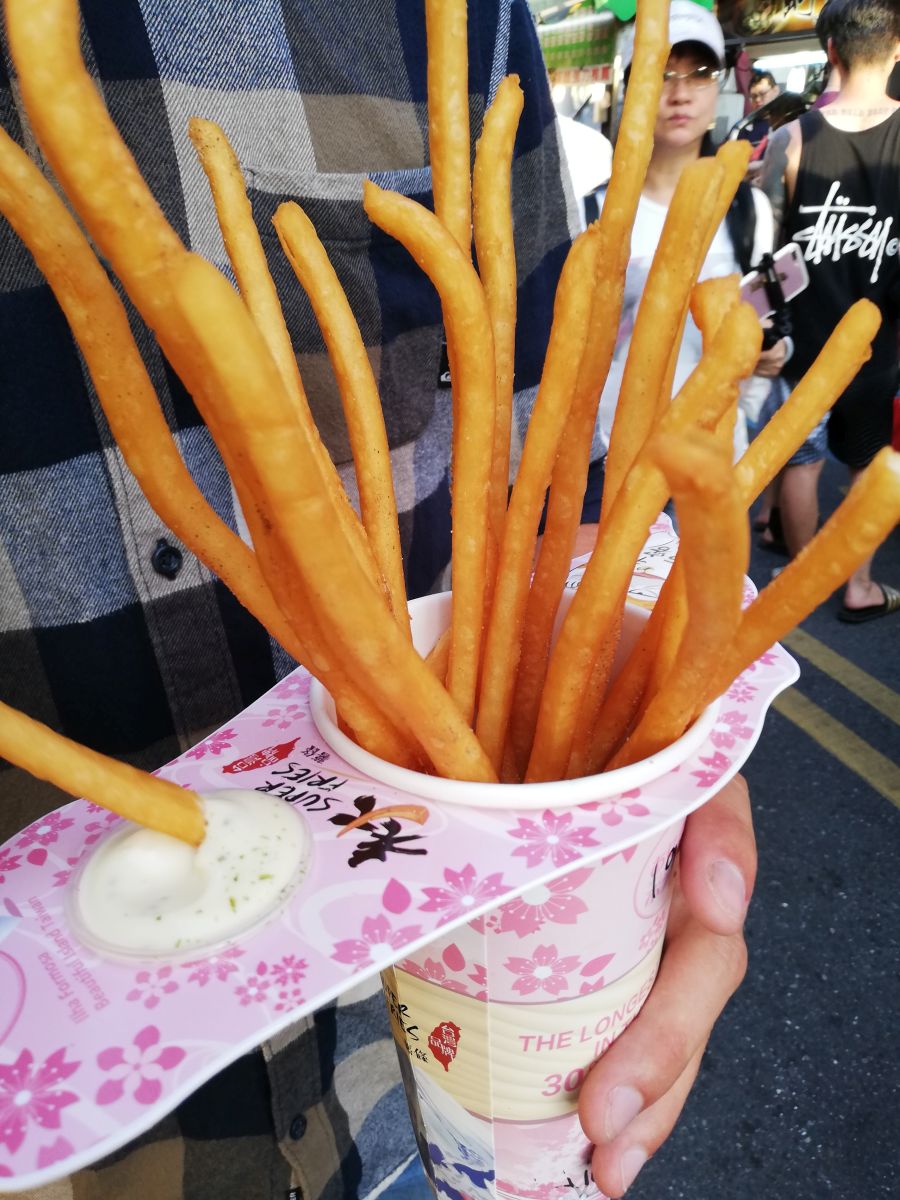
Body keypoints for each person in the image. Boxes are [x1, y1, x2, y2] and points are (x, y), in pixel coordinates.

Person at [0, 2, 757, 1198]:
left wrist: (670, 747)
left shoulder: (460, 17)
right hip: (61, 1123)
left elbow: (566, 480)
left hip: (385, 1091)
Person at [592, 0, 788, 472]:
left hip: (712, 457)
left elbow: (767, 315)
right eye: (662, 72)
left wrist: (773, 351)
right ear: (633, 88)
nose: (680, 93)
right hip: (613, 457)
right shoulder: (594, 213)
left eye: (700, 72)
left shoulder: (747, 209)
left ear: (718, 83)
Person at [759, 0, 900, 622]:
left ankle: (804, 581)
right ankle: (859, 584)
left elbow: (762, 251)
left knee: (803, 459)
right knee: (868, 465)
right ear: (898, 50)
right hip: (880, 344)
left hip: (805, 341)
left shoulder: (789, 140)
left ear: (831, 53)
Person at [738, 69, 780, 155]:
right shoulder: (742, 126)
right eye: (753, 96)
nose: (757, 99)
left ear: (776, 91)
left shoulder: (786, 125)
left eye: (763, 94)